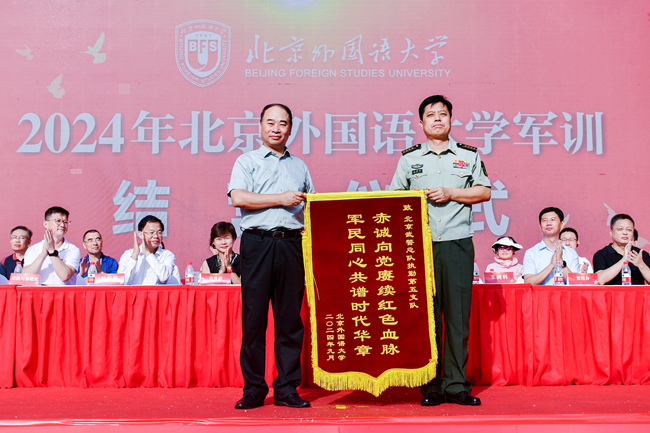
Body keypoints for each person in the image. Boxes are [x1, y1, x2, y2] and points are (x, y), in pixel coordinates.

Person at [389, 95, 491, 406]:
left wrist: (450, 193)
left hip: (457, 243)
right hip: (420, 246)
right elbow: (393, 199)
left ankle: (457, 385)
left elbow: (484, 191)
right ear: (421, 123)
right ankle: (431, 386)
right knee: (427, 317)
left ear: (450, 119)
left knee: (457, 317)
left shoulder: (468, 155)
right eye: (430, 115)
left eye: (442, 114)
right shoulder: (409, 159)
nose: (437, 119)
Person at [229, 103, 314, 410]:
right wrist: (280, 199)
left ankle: (287, 388)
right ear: (261, 126)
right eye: (270, 122)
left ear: (290, 128)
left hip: (291, 244)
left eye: (283, 123)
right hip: (258, 243)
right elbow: (238, 197)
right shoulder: (246, 161)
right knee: (254, 320)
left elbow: (312, 206)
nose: (276, 128)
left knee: (290, 320)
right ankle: (254, 388)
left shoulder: (300, 166)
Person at [522, 207, 580, 285]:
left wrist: (561, 262)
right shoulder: (531, 253)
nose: (548, 223)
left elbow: (575, 283)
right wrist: (551, 265)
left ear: (562, 224)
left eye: (553, 220)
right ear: (540, 226)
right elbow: (529, 282)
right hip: (540, 293)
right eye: (544, 220)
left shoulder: (571, 253)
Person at [23, 206, 80, 285]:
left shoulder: (72, 250)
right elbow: (26, 276)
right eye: (58, 221)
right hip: (38, 292)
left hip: (63, 292)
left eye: (65, 222)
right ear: (46, 224)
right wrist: (43, 255)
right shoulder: (33, 249)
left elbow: (64, 276)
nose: (62, 225)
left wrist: (52, 252)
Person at [593, 214, 650, 285]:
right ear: (611, 232)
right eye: (620, 229)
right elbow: (600, 280)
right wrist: (623, 260)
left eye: (629, 230)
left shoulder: (640, 254)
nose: (625, 233)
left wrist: (641, 264)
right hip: (611, 292)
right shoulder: (602, 254)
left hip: (637, 292)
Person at [117, 215, 175, 285]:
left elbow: (164, 277)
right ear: (140, 234)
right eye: (151, 232)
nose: (156, 236)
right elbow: (122, 282)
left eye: (159, 232)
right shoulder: (128, 254)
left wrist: (148, 254)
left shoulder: (167, 255)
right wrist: (134, 257)